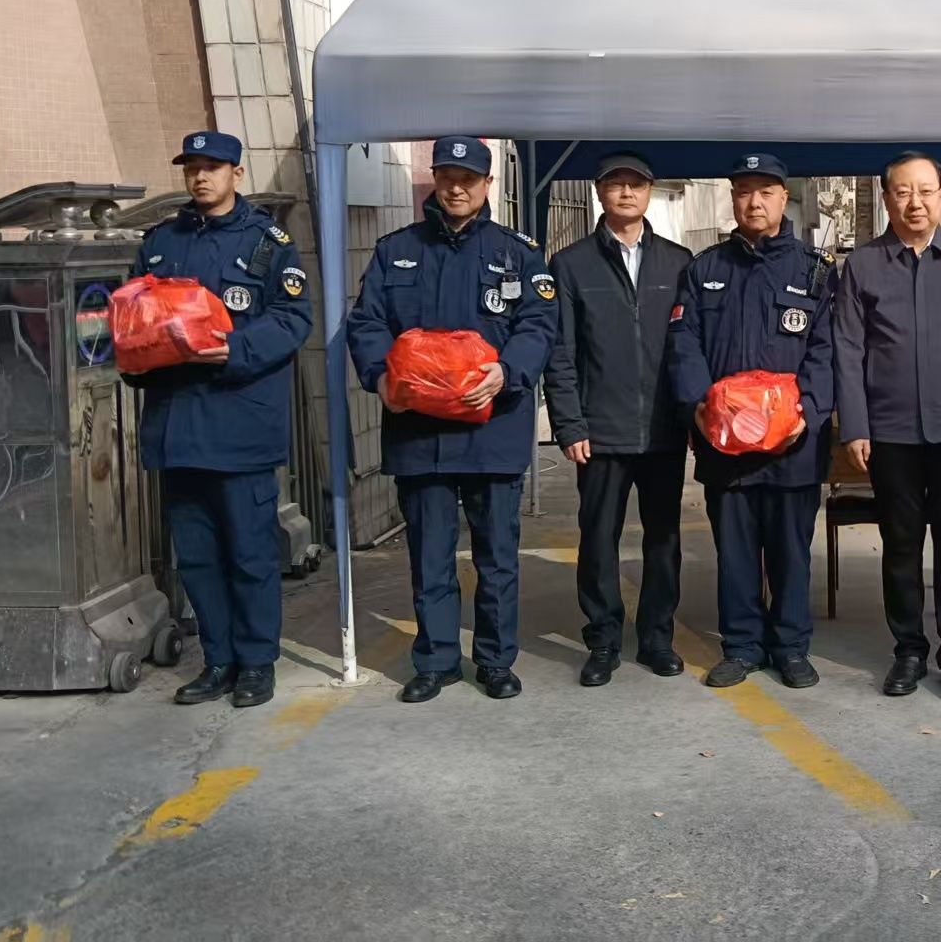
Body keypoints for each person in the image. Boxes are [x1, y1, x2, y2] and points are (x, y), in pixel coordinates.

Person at [347, 136, 557, 703]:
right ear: (435, 181)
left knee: (497, 558)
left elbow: (540, 323)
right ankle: (437, 661)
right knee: (430, 555)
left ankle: (495, 660)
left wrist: (508, 371)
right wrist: (380, 377)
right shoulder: (396, 251)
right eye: (447, 177)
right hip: (421, 433)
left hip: (493, 430)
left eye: (468, 178)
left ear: (489, 184)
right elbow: (367, 322)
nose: (456, 188)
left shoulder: (518, 253)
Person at [129, 131, 312, 709]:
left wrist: (235, 349)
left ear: (237, 172)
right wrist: (133, 357)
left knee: (250, 553)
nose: (201, 177)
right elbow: (132, 315)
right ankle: (218, 661)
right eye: (192, 167)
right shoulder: (161, 242)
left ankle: (256, 662)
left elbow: (292, 319)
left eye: (213, 167)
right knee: (198, 557)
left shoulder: (267, 242)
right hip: (177, 426)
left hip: (240, 425)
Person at [833, 152, 941, 705]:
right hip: (891, 434)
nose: (915, 203)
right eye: (903, 192)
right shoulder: (862, 265)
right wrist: (855, 425)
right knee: (900, 546)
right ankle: (908, 650)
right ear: (887, 199)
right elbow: (847, 348)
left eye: (926, 191)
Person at [666, 153, 837, 690]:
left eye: (765, 192)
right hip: (725, 444)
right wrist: (698, 406)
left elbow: (826, 351)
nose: (754, 202)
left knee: (790, 553)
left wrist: (808, 414)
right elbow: (683, 343)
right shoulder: (705, 270)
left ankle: (791, 647)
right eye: (744, 191)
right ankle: (741, 647)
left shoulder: (815, 271)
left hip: (793, 446)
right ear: (733, 198)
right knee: (735, 554)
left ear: (784, 199)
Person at [544, 152, 693, 687]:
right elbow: (560, 351)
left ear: (650, 191)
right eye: (616, 184)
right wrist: (570, 424)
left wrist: (691, 417)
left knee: (663, 539)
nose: (626, 193)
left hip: (663, 430)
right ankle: (603, 640)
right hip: (600, 430)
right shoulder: (571, 264)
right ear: (598, 192)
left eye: (636, 184)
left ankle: (657, 638)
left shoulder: (679, 263)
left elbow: (689, 347)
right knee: (598, 537)